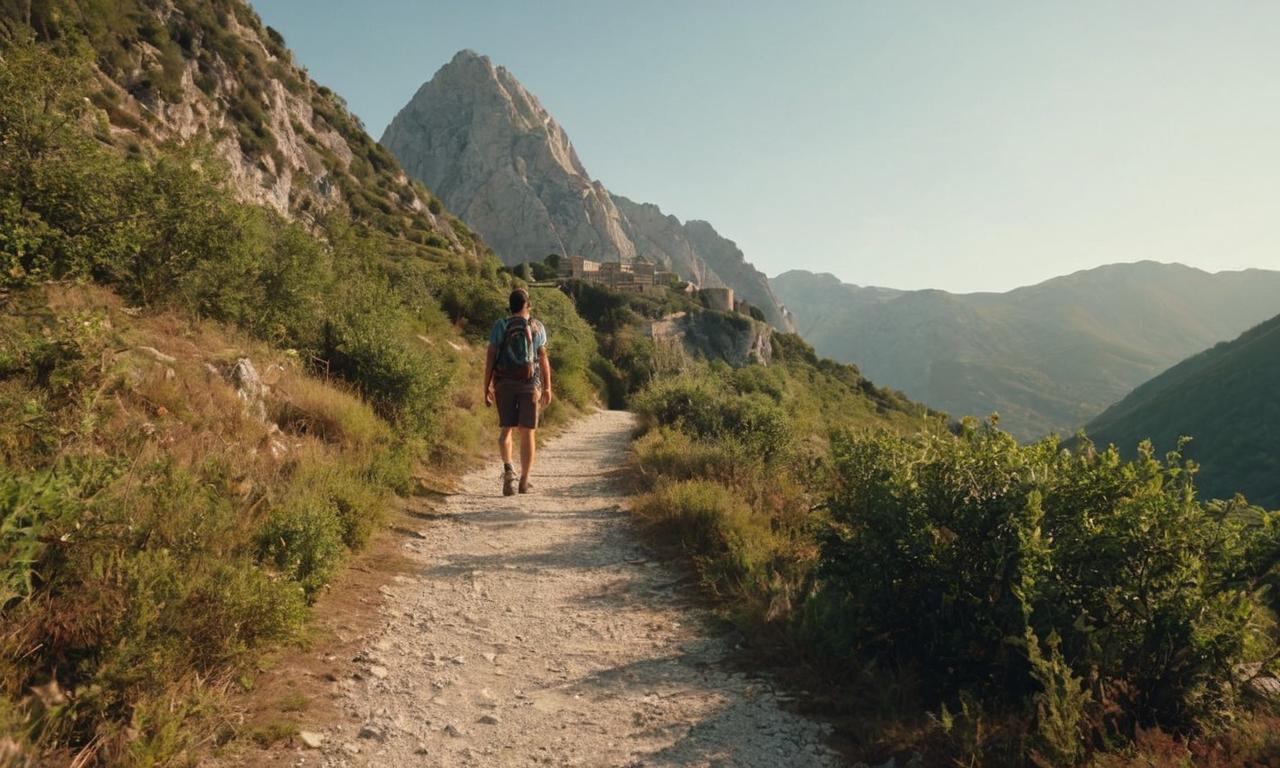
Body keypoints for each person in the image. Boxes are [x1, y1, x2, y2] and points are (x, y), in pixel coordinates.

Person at [484, 288, 553, 496]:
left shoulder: (500, 325)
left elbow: (490, 357)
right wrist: (548, 386)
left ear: (510, 305)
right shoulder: (537, 326)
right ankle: (524, 481)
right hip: (530, 384)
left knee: (506, 430)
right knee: (527, 432)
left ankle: (509, 471)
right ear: (527, 305)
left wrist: (486, 386)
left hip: (504, 383)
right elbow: (543, 359)